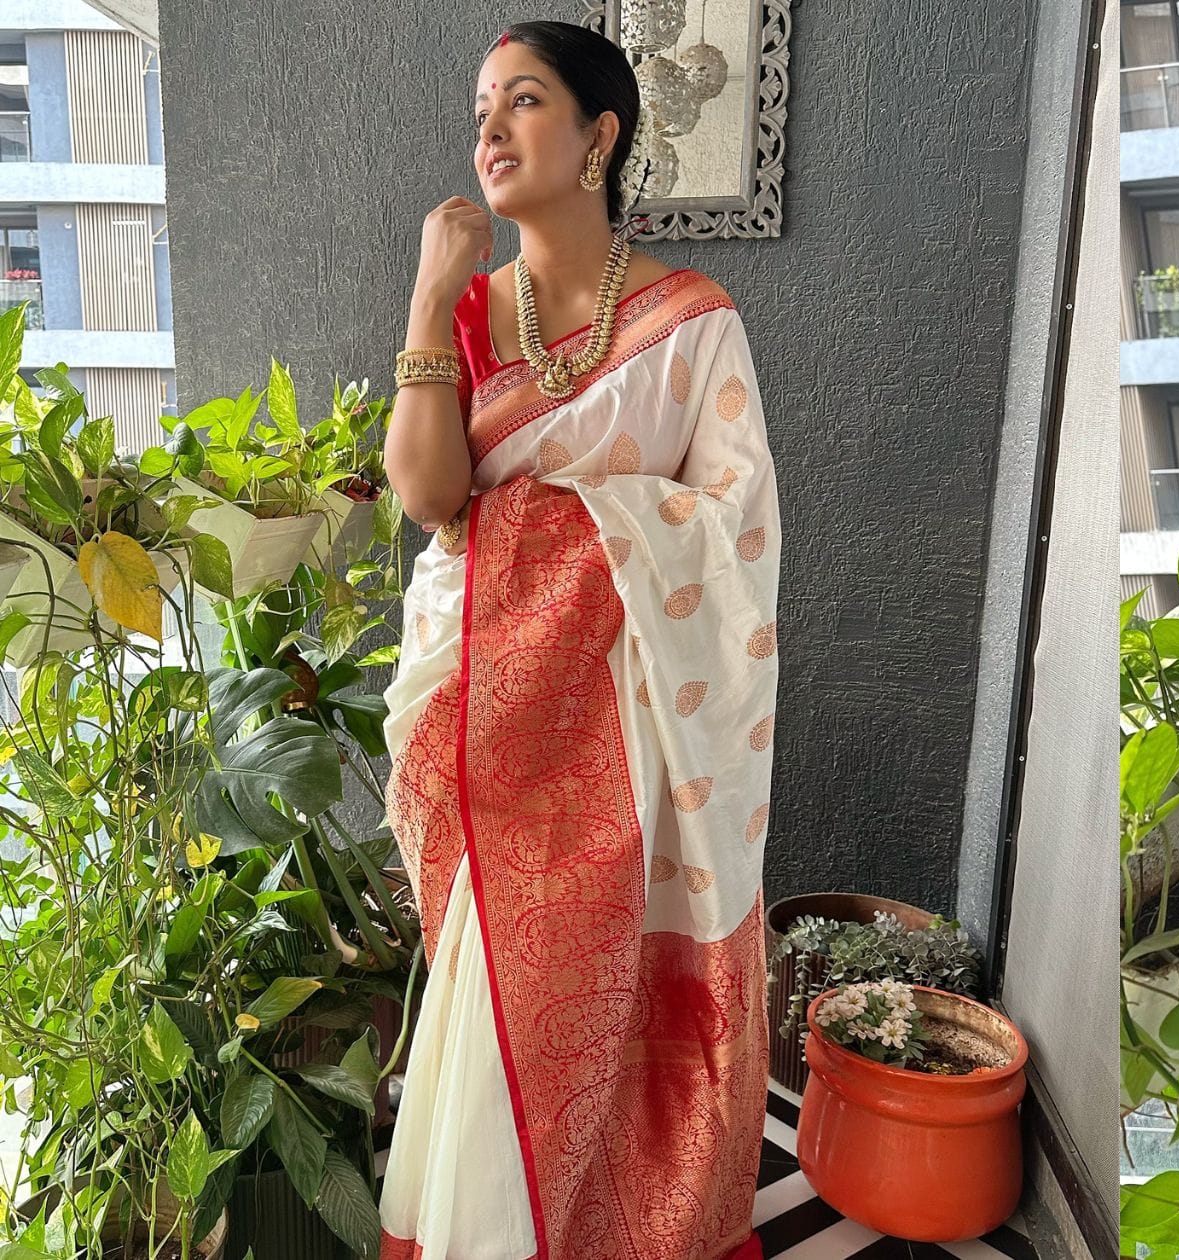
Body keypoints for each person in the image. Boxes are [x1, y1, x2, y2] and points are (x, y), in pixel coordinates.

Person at [376, 20, 779, 1260]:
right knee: (504, 989)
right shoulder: (472, 316)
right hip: (492, 714)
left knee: (619, 991)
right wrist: (430, 297)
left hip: (640, 721)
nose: (489, 130)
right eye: (481, 108)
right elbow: (431, 501)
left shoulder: (692, 320)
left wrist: (556, 532)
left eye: (525, 102)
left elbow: (735, 528)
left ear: (599, 137)